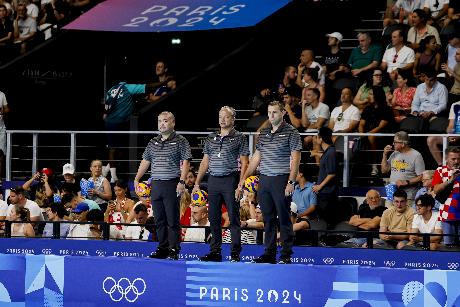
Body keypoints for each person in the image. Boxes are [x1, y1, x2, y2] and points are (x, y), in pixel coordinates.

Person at [242, 101, 302, 264]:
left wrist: (291, 181)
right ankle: (269, 253)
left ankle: (286, 254)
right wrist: (244, 177)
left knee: (283, 218)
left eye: (275, 112)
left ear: (283, 113)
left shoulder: (292, 132)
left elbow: (296, 160)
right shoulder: (265, 132)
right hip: (265, 179)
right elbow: (256, 158)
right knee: (267, 219)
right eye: (269, 112)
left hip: (282, 179)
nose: (271, 115)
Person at [194, 106, 249, 262]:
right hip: (213, 180)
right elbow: (205, 161)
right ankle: (215, 251)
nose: (222, 119)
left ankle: (235, 253)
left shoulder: (240, 137)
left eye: (226, 117)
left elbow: (245, 162)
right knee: (214, 217)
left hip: (230, 179)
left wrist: (240, 184)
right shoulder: (211, 137)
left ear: (233, 119)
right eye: (220, 116)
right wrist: (197, 182)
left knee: (233, 217)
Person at [134, 111, 192, 260]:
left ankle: (174, 249)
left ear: (173, 123)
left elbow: (186, 162)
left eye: (165, 121)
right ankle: (162, 248)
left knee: (172, 220)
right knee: (159, 219)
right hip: (156, 184)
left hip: (172, 183)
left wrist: (182, 181)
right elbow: (145, 161)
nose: (162, 124)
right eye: (160, 121)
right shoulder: (153, 142)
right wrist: (137, 178)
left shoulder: (181, 140)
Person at [381, 131, 425, 204]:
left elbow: (422, 176)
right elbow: (384, 170)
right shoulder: (395, 153)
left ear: (403, 144)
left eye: (395, 142)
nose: (393, 144)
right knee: (388, 214)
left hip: (408, 196)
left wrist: (407, 182)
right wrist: (385, 155)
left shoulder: (416, 155)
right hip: (392, 194)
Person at [432, 146, 460, 245]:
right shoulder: (440, 171)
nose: (456, 161)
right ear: (446, 158)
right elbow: (436, 190)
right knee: (449, 246)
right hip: (448, 214)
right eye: (453, 159)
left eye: (458, 159)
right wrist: (450, 180)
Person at [312, 127, 339, 227]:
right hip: (324, 192)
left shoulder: (331, 152)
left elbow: (331, 174)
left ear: (321, 138)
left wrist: (319, 186)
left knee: (328, 220)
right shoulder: (328, 152)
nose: (314, 139)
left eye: (316, 137)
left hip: (328, 193)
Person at [0, 89, 8, 180]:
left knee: (0, 154)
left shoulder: (1, 94)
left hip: (1, 128)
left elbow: (6, 109)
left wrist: (3, 110)